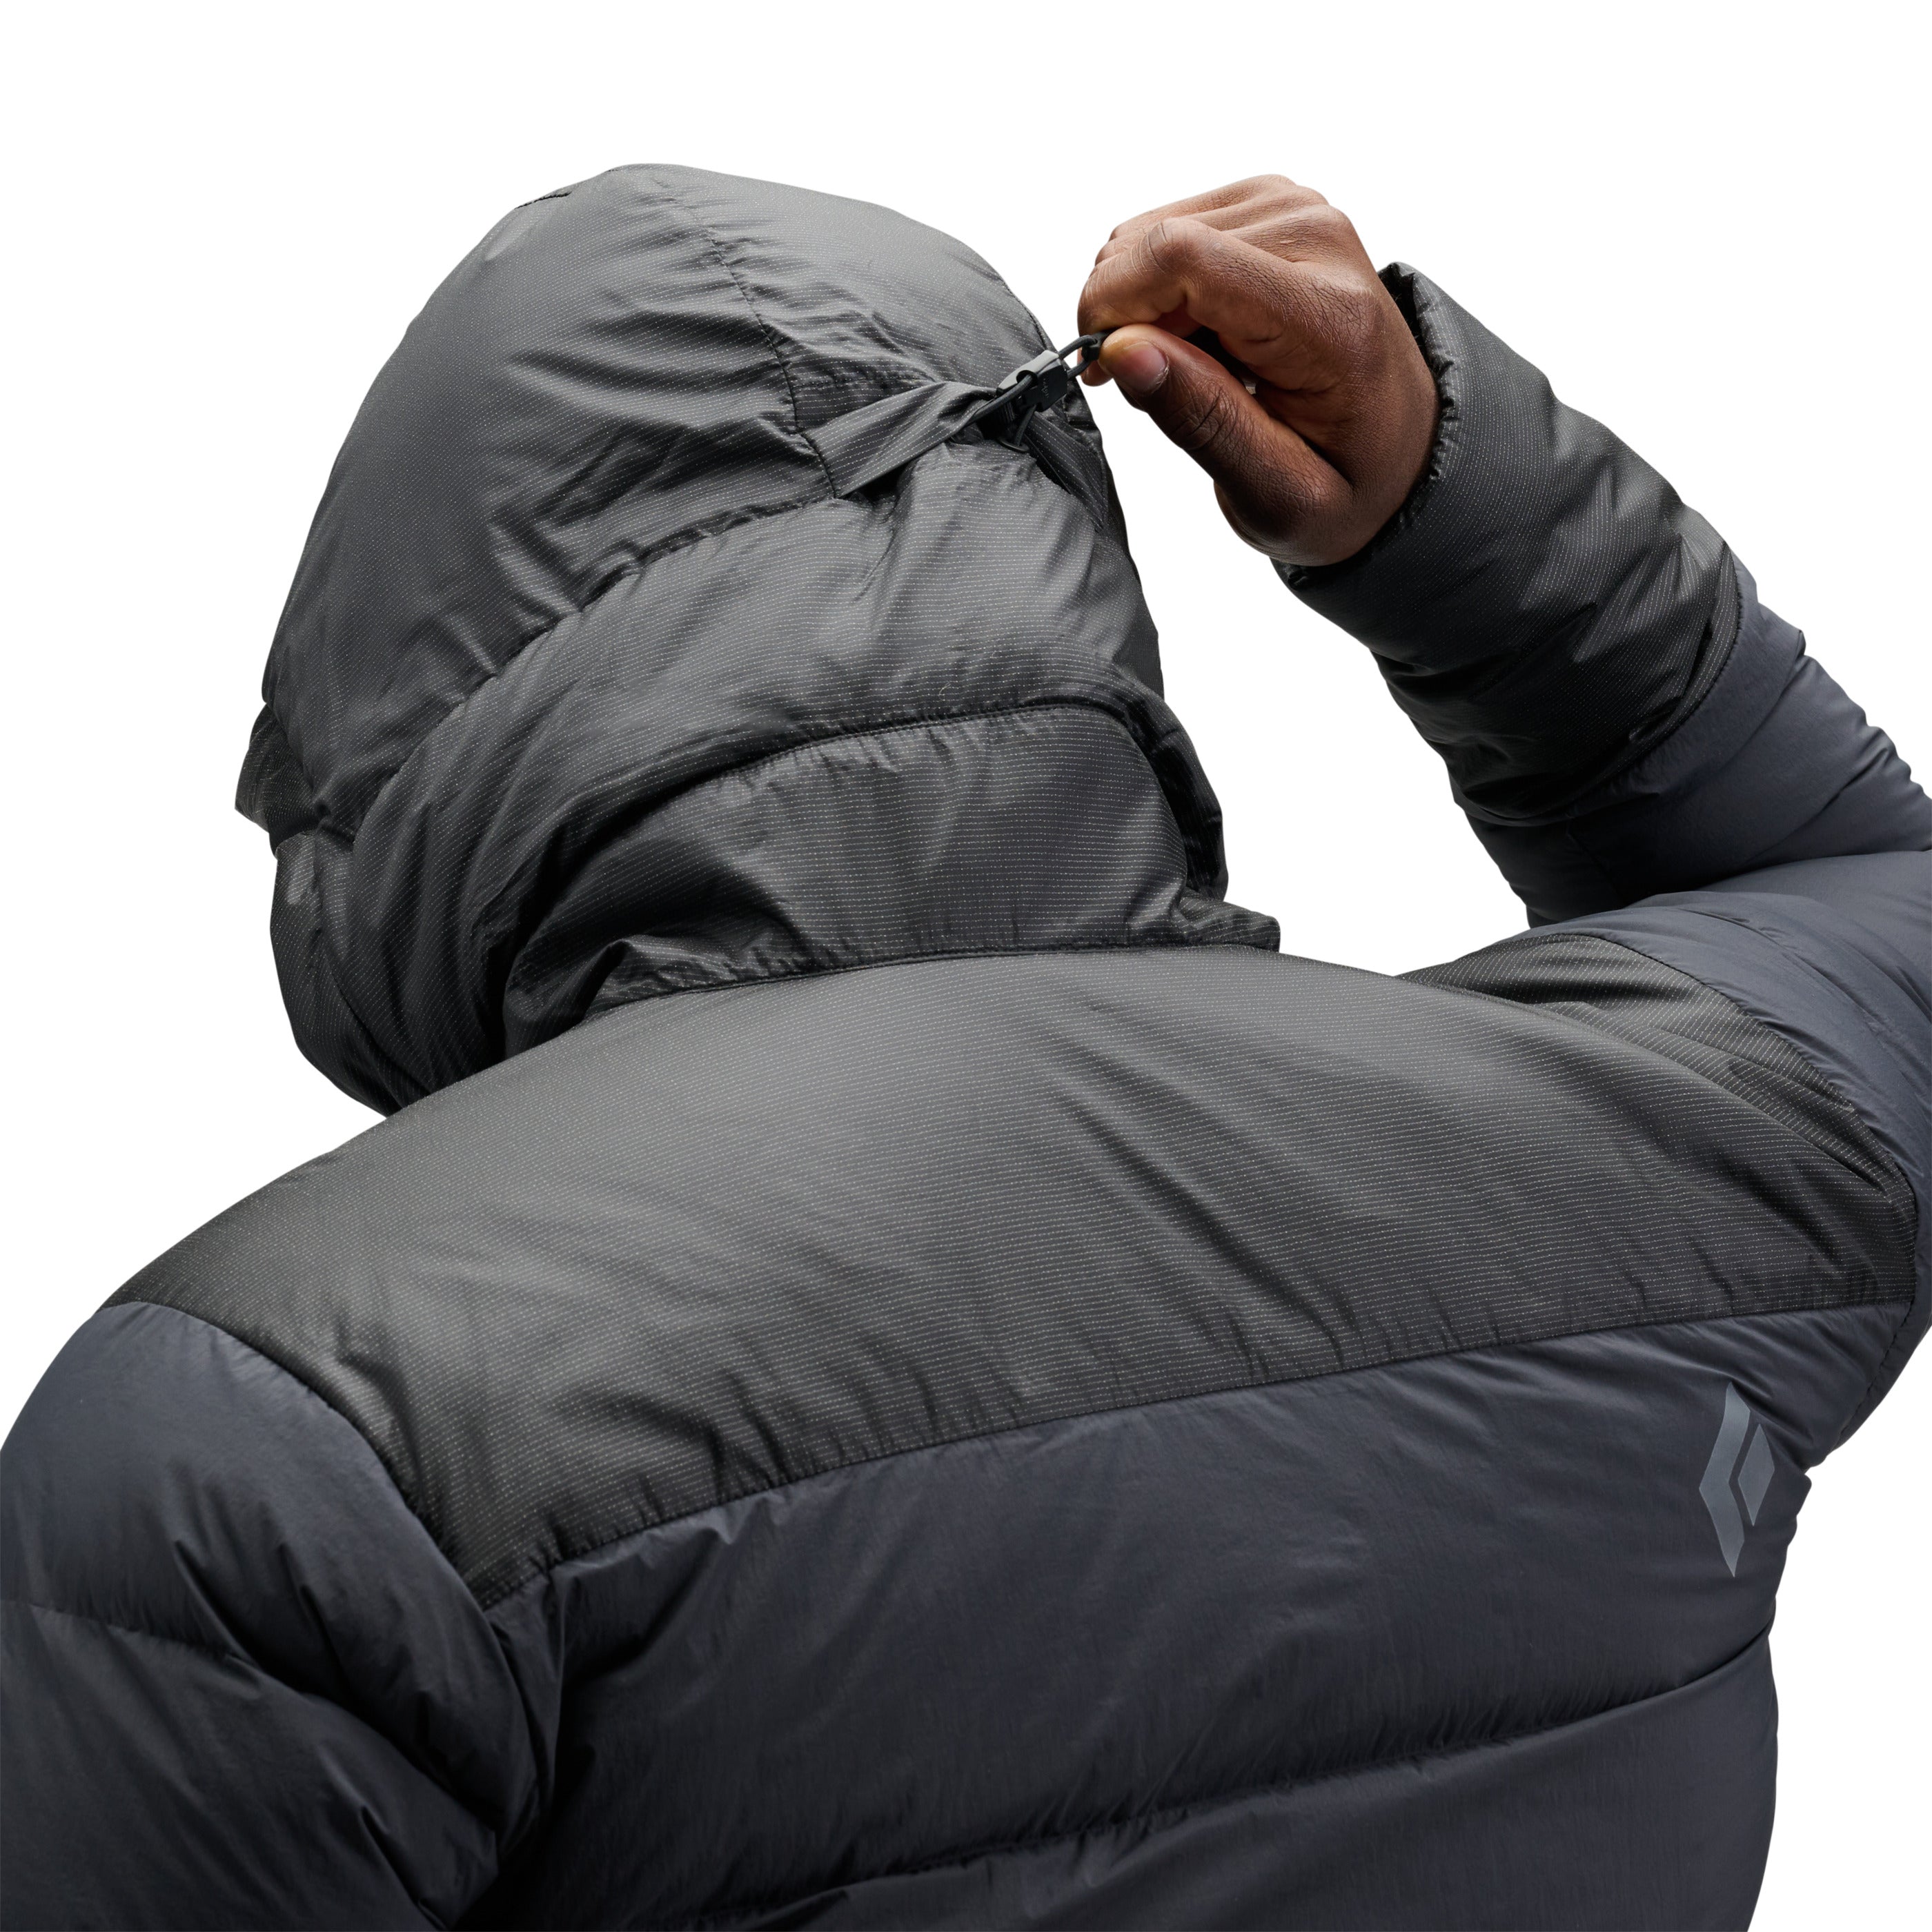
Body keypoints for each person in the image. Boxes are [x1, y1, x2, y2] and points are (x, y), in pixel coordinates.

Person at [1, 164, 1923, 1931]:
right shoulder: (1664, 1166)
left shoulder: (283, 1440)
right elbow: (1860, 893)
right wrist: (1452, 501)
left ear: (378, 727)